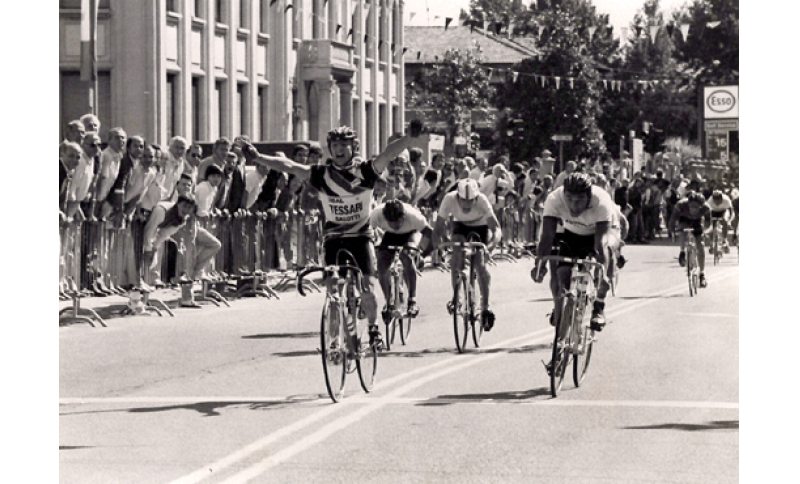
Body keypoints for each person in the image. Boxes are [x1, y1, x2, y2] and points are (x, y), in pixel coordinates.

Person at [242, 126, 417, 348]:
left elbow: (388, 153)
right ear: (330, 149)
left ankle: (373, 329)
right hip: (334, 238)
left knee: (366, 287)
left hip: (361, 237)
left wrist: (409, 138)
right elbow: (289, 166)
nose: (339, 150)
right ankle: (335, 339)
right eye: (335, 146)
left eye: (344, 145)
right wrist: (258, 157)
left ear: (353, 148)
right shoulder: (321, 174)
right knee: (333, 289)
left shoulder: (366, 171)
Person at [531, 173, 614, 341]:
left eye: (579, 200)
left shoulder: (601, 201)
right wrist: (539, 265)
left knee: (608, 253)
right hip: (571, 234)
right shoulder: (554, 199)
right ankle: (562, 308)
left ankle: (599, 305)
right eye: (569, 199)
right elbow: (547, 236)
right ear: (564, 194)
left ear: (589, 196)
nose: (574, 205)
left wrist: (602, 271)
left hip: (596, 235)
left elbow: (601, 242)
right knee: (562, 274)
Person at [432, 178, 501, 331]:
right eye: (463, 200)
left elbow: (496, 229)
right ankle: (456, 298)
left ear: (476, 197)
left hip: (481, 226)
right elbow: (438, 228)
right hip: (460, 226)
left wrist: (489, 248)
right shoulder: (449, 199)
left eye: (471, 201)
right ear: (457, 196)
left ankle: (485, 307)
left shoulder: (482, 200)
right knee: (456, 256)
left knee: (479, 264)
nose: (467, 205)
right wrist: (438, 247)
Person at [370, 199, 432, 320]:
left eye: (398, 222)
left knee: (406, 256)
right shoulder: (376, 214)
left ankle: (412, 300)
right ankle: (389, 301)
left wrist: (422, 253)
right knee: (381, 265)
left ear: (403, 216)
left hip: (410, 234)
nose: (395, 226)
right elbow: (367, 233)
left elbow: (429, 233)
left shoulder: (413, 216)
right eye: (391, 222)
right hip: (390, 235)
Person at [668, 190, 711, 288]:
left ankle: (702, 274)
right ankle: (682, 251)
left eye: (696, 207)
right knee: (683, 231)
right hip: (684, 219)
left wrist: (705, 232)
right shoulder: (680, 205)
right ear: (688, 203)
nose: (693, 209)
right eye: (691, 206)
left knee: (700, 245)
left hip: (698, 221)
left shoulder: (706, 208)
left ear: (701, 206)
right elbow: (673, 220)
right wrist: (672, 231)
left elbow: (708, 223)